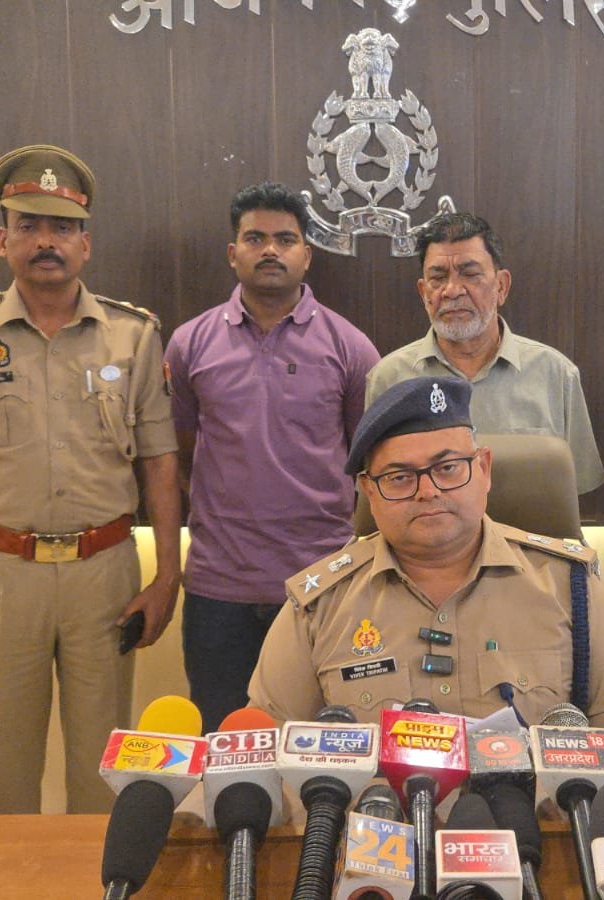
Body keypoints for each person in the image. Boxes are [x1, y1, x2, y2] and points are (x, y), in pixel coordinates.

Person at [0, 145, 181, 814]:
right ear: (3, 240)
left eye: (62, 227)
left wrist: (167, 577)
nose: (45, 242)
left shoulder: (133, 336)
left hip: (106, 576)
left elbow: (159, 462)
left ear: (85, 244)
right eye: (28, 225)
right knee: (7, 778)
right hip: (0, 577)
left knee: (101, 780)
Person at [248, 376, 604, 728]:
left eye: (447, 469)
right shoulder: (321, 606)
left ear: (484, 469)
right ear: (369, 491)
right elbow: (265, 753)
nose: (428, 492)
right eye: (399, 477)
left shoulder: (570, 587)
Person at [164, 182, 379, 729]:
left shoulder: (350, 347)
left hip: (323, 587)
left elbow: (368, 465)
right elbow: (180, 453)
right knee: (225, 744)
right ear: (232, 252)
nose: (269, 251)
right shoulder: (190, 344)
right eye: (254, 238)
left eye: (285, 239)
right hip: (219, 589)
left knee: (325, 748)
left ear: (307, 255)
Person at [365, 212, 604, 495]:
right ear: (423, 293)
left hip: (525, 526)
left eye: (470, 274)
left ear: (501, 286)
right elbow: (377, 493)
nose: (452, 290)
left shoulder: (556, 375)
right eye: (438, 278)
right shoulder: (389, 378)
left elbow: (576, 493)